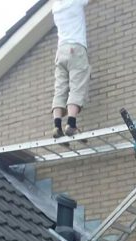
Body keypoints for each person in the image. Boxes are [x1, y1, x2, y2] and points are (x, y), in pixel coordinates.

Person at [51, 0, 91, 138]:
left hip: (60, 51)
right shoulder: (75, 1)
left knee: (60, 88)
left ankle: (57, 126)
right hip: (76, 48)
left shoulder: (55, 7)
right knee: (77, 86)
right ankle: (71, 124)